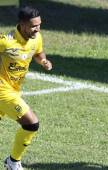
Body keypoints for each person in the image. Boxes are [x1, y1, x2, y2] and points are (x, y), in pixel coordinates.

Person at [0, 6, 52, 170]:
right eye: (33, 26)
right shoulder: (5, 41)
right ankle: (13, 162)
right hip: (2, 90)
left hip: (14, 89)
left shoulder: (36, 38)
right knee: (31, 124)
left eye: (39, 25)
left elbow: (38, 52)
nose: (37, 29)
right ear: (21, 25)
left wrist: (43, 61)